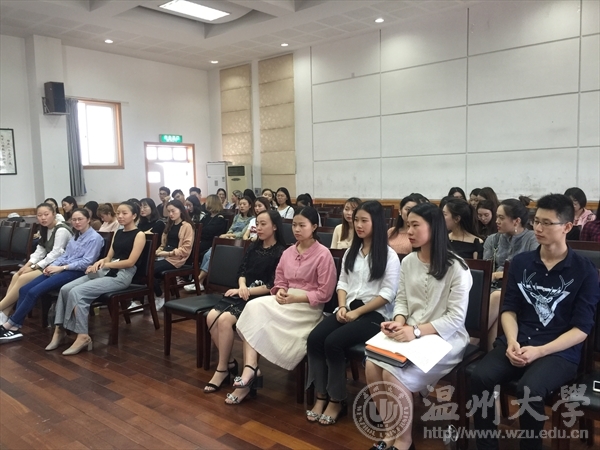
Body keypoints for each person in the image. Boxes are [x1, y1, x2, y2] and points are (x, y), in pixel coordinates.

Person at [471, 194, 599, 450]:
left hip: (558, 351)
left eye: (547, 223)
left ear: (567, 226)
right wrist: (511, 341)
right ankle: (486, 445)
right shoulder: (521, 263)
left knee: (529, 389)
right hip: (519, 340)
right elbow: (509, 309)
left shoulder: (584, 271)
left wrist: (539, 351)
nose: (538, 228)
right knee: (480, 377)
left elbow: (581, 329)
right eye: (536, 221)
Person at [365, 203, 472, 450]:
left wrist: (414, 332)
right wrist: (398, 321)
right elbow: (402, 299)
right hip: (410, 331)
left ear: (434, 228)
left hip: (445, 338)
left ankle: (404, 442)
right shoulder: (409, 261)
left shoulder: (457, 267)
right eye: (408, 225)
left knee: (392, 372)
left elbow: (455, 318)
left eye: (415, 225)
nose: (409, 231)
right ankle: (391, 432)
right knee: (372, 364)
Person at [225, 207, 337, 404]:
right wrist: (281, 290)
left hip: (307, 307)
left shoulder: (323, 254)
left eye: (302, 225)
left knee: (259, 317)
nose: (297, 230)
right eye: (294, 225)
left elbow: (325, 293)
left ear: (314, 227)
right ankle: (250, 368)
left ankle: (250, 374)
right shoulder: (289, 252)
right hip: (285, 300)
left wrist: (296, 298)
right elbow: (279, 280)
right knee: (253, 308)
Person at [306, 201, 400, 425]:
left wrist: (357, 313)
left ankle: (337, 400)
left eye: (364, 220)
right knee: (315, 338)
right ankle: (321, 394)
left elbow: (387, 294)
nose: (358, 225)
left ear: (376, 223)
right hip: (348, 309)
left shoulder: (389, 256)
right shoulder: (351, 252)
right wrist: (342, 307)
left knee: (334, 342)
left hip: (374, 315)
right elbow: (342, 283)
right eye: (356, 220)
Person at [204, 210, 286, 393]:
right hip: (243, 292)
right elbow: (241, 271)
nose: (259, 227)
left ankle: (222, 369)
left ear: (274, 226)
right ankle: (229, 362)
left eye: (263, 224)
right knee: (211, 317)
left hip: (260, 298)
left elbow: (273, 285)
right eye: (258, 223)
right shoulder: (254, 246)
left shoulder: (281, 251)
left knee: (224, 320)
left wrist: (247, 290)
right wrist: (242, 286)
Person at [47, 202, 145, 355]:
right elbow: (110, 256)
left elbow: (130, 262)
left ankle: (83, 336)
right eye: (118, 213)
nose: (120, 216)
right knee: (65, 289)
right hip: (108, 270)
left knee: (77, 292)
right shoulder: (118, 232)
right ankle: (59, 329)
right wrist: (99, 262)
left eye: (124, 213)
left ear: (134, 215)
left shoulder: (139, 235)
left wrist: (107, 264)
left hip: (122, 275)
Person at [0, 208, 102, 344]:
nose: (77, 222)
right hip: (62, 268)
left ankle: (9, 325)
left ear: (88, 220)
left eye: (80, 219)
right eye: (74, 220)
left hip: (76, 272)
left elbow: (86, 262)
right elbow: (65, 255)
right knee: (24, 289)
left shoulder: (95, 238)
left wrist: (61, 267)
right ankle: (14, 325)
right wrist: (52, 266)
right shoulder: (76, 236)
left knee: (33, 292)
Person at [0, 203, 73, 325]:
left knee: (23, 278)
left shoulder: (61, 230)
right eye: (39, 215)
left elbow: (55, 254)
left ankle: (1, 308)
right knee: (17, 275)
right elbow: (40, 251)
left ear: (54, 214)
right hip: (47, 264)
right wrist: (27, 265)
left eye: (46, 214)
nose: (43, 218)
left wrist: (34, 267)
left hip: (59, 266)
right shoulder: (44, 229)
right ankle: (4, 313)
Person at [484, 198, 539, 349]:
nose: (497, 221)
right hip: (493, 285)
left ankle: (471, 340)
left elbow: (532, 271)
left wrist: (500, 274)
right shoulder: (493, 239)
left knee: (497, 297)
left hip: (519, 288)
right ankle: (488, 352)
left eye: (501, 218)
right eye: (497, 217)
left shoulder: (532, 239)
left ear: (516, 221)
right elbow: (486, 267)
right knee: (496, 315)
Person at [153, 200, 194, 310]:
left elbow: (186, 249)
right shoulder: (169, 224)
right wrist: (158, 251)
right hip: (165, 255)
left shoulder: (186, 226)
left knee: (149, 270)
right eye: (169, 211)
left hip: (176, 258)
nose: (170, 214)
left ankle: (159, 295)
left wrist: (168, 253)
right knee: (141, 267)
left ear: (180, 210)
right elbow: (163, 244)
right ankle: (153, 295)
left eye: (173, 211)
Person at [183, 194, 229, 293]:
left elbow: (209, 231)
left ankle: (196, 280)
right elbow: (199, 227)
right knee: (188, 247)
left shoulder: (220, 218)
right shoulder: (207, 216)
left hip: (211, 241)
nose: (205, 204)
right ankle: (188, 276)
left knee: (198, 250)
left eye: (207, 202)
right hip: (202, 239)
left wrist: (200, 231)